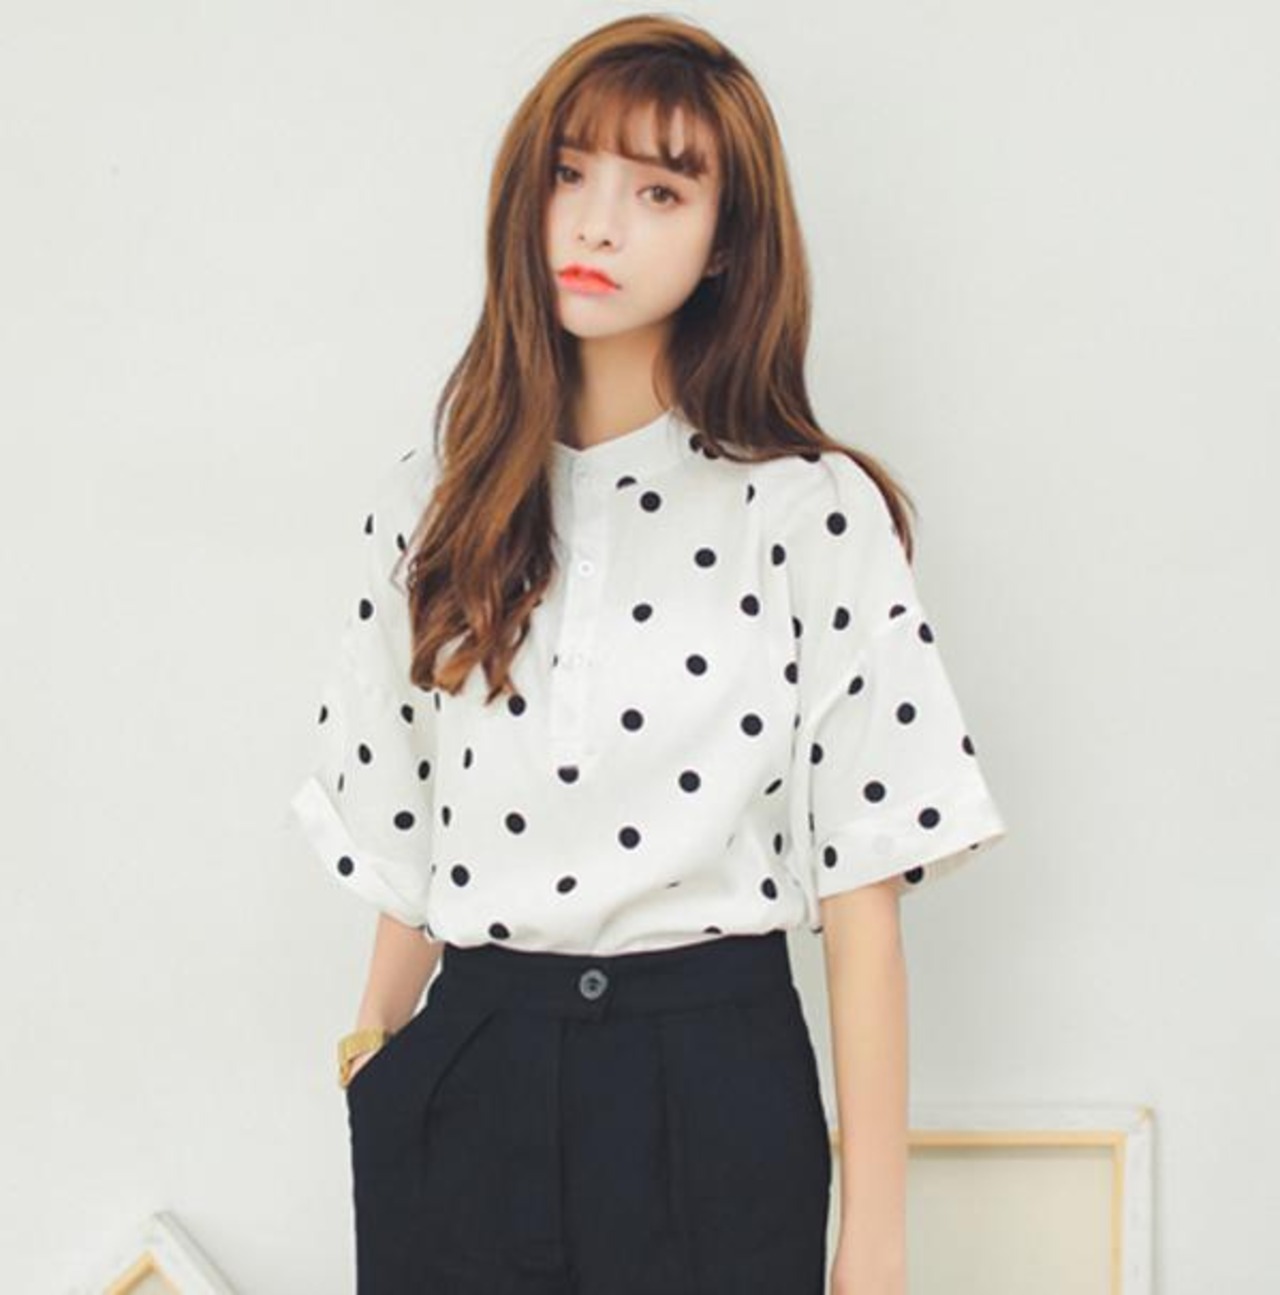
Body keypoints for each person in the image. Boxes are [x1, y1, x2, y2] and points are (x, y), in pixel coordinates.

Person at [288, 13, 1008, 1295]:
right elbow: (404, 825)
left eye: (658, 190)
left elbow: (861, 902)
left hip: (712, 1088)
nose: (597, 223)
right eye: (568, 173)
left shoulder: (807, 510)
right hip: (470, 1072)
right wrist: (373, 1054)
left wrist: (874, 1246)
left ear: (727, 240)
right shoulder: (433, 502)